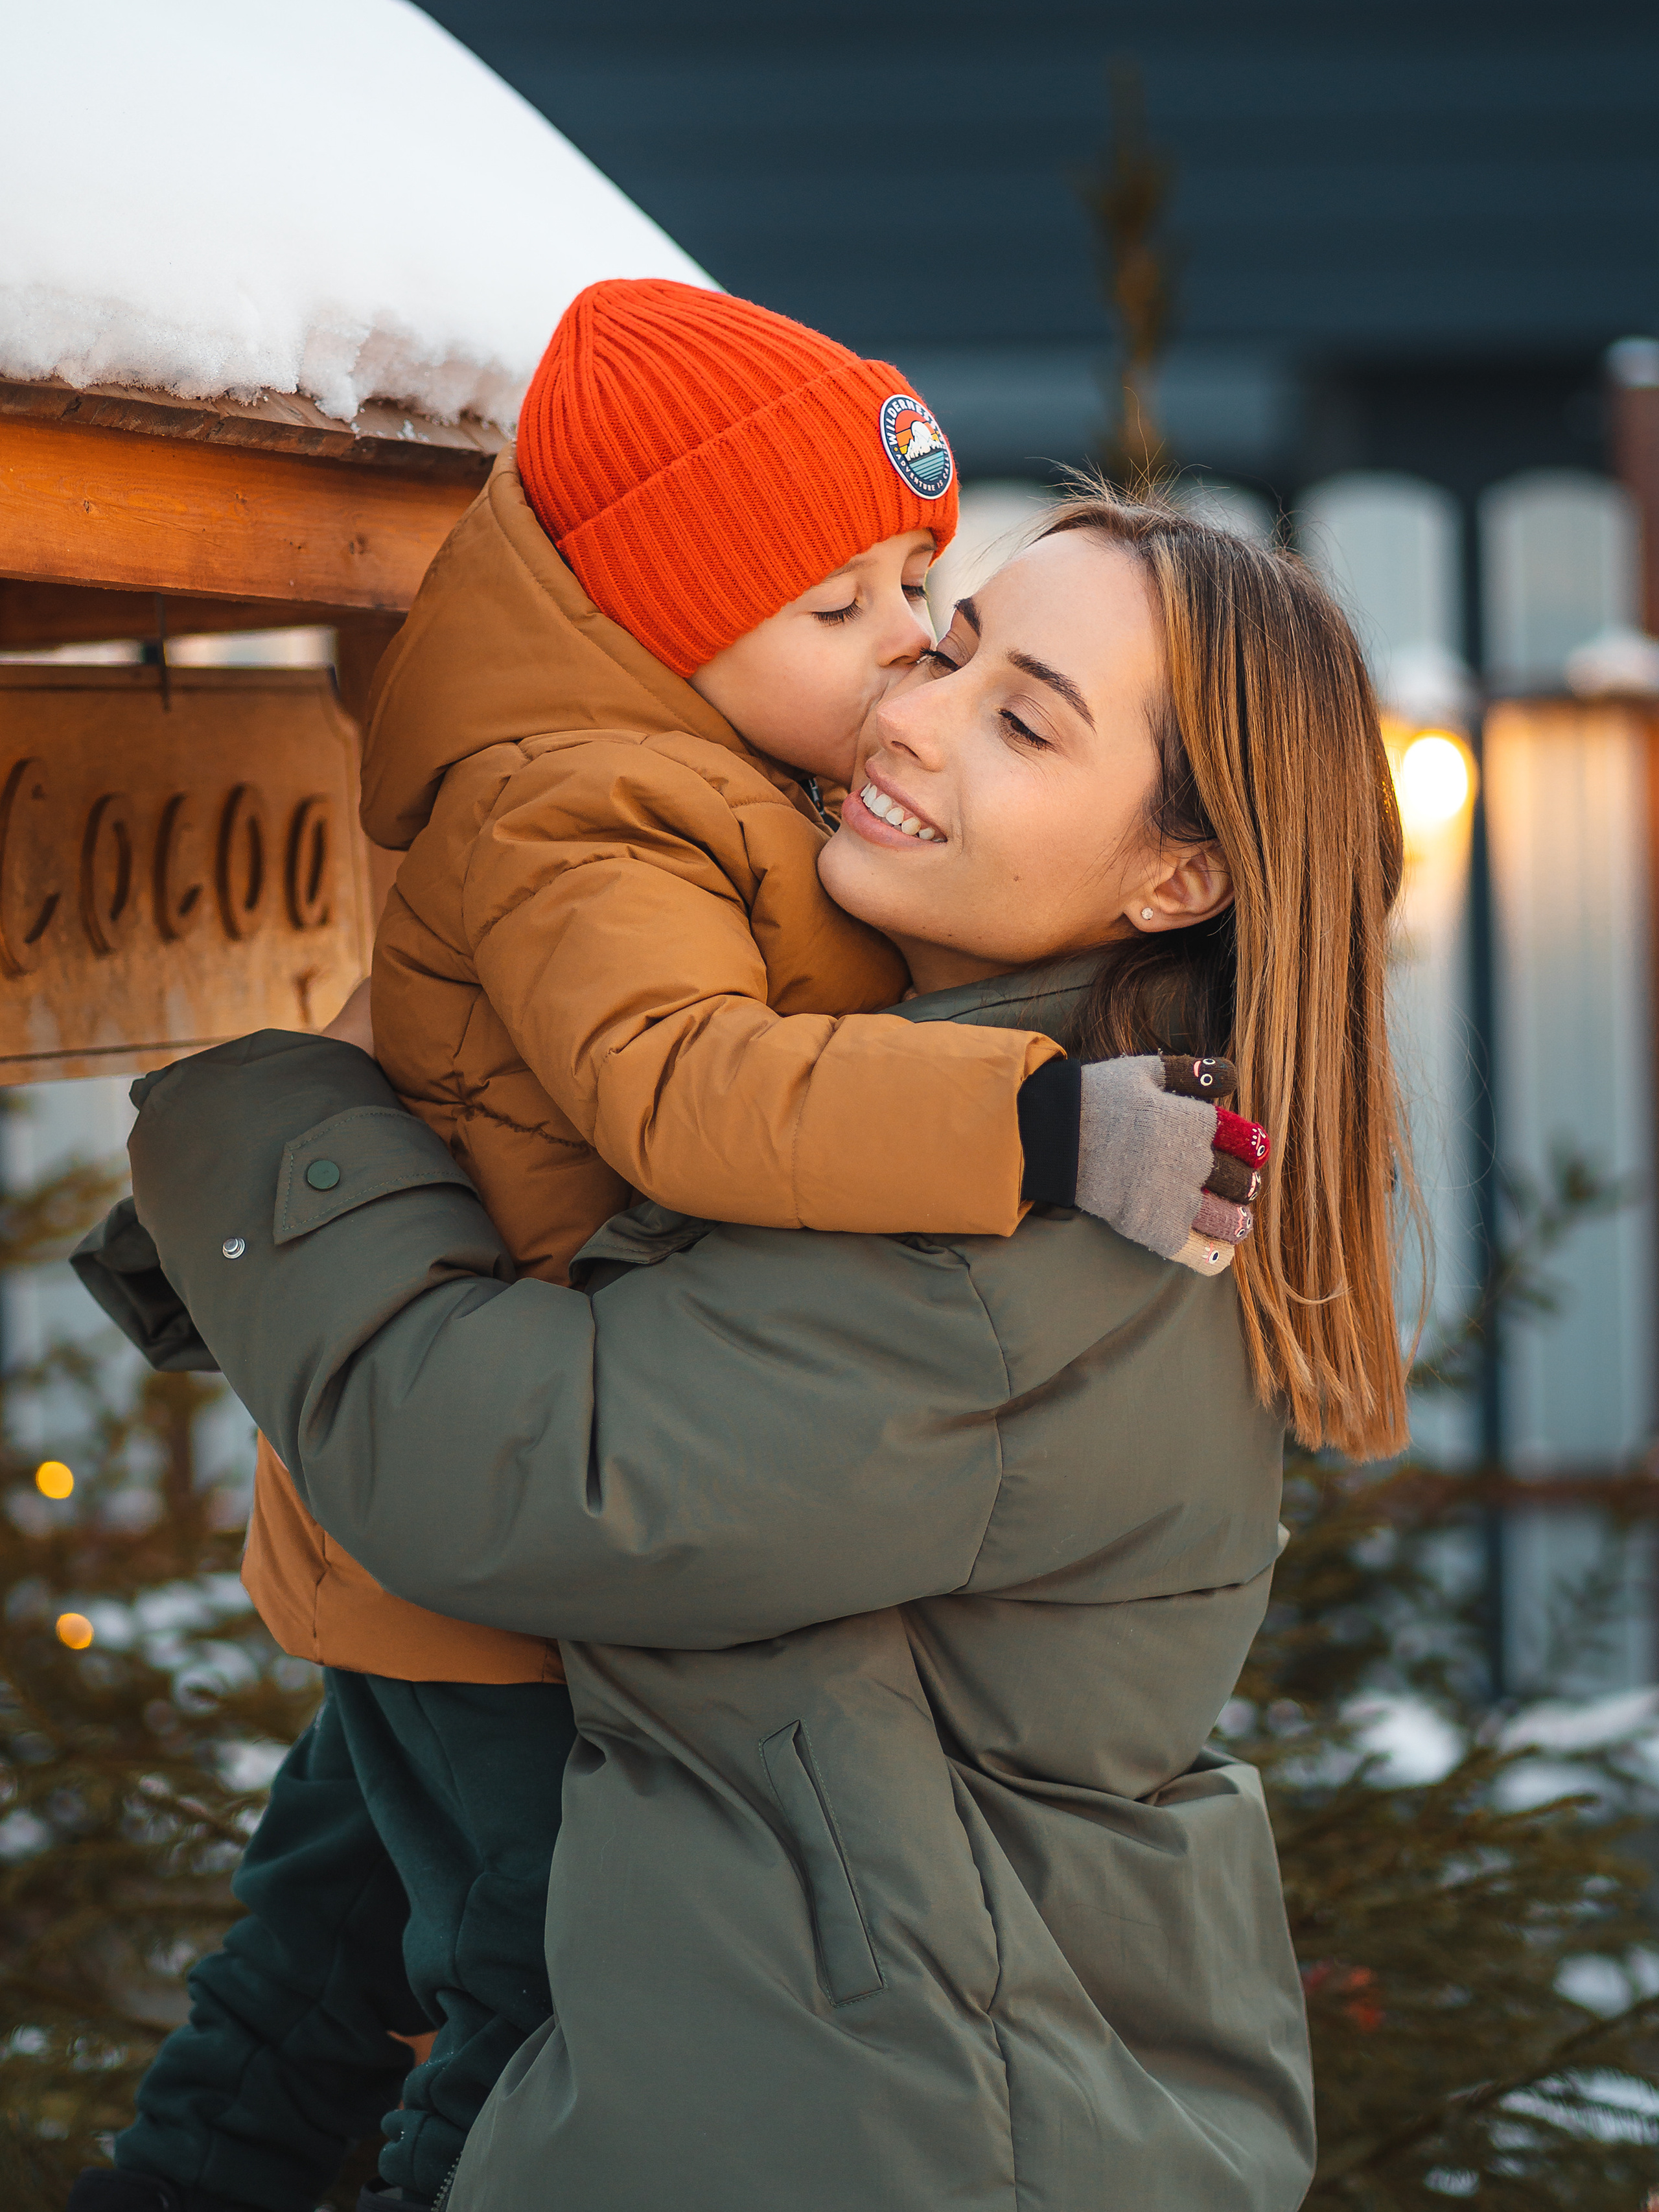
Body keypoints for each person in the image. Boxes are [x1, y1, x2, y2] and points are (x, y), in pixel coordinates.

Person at [75, 487, 1410, 2210]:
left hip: (886, 2130)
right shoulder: (864, 1083)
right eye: (953, 640)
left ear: (1180, 877)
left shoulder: (1014, 1242)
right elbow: (441, 1735)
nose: (912, 709)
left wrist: (260, 1114)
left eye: (1020, 719)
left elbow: (506, 1471)